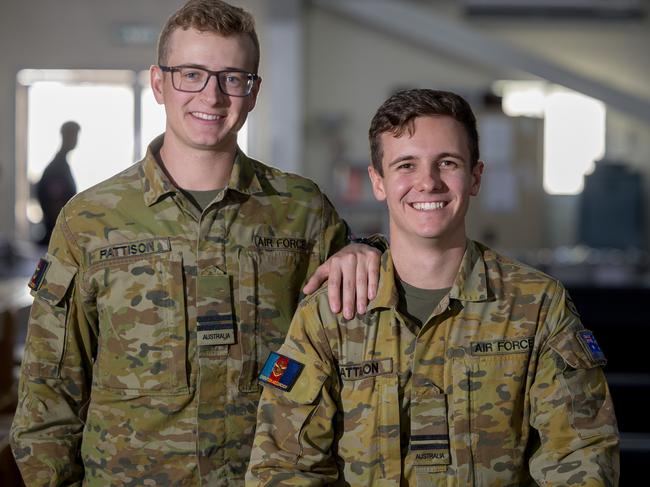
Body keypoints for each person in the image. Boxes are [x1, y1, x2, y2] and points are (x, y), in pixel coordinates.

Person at [10, 1, 382, 485]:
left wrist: (369, 248)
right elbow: (49, 386)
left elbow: (355, 351)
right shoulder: (91, 220)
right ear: (159, 83)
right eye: (191, 74)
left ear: (253, 93)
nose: (212, 95)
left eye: (232, 77)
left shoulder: (301, 210)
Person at [247, 89, 620, 486]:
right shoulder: (331, 314)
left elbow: (582, 459)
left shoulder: (536, 307)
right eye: (406, 165)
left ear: (475, 176)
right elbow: (283, 466)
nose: (428, 182)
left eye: (447, 162)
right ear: (378, 181)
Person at [35, 121, 79, 245]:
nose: (75, 140)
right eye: (73, 135)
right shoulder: (57, 168)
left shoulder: (61, 166)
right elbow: (54, 205)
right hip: (55, 237)